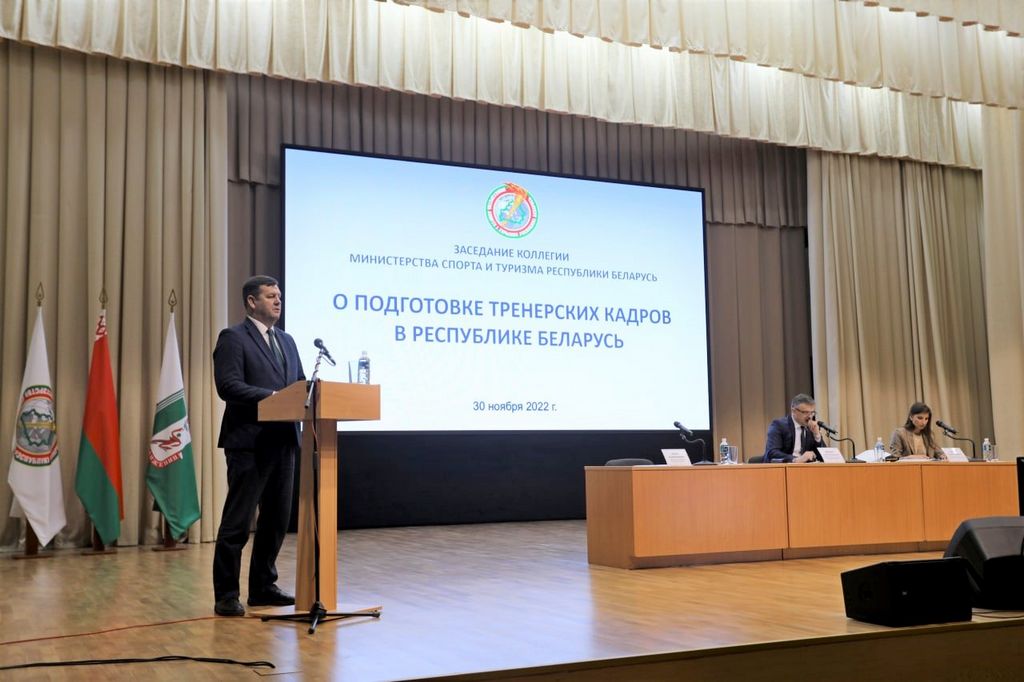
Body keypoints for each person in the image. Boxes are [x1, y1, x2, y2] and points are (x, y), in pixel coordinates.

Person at [212, 275, 305, 617]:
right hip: (249, 443)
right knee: (238, 522)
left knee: (276, 521)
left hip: (283, 442)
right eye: (270, 296)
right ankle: (226, 594)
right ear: (252, 302)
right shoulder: (233, 338)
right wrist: (273, 397)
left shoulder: (288, 341)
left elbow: (298, 385)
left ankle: (263, 586)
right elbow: (228, 385)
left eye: (279, 295)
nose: (278, 301)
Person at [763, 394, 825, 463]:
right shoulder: (779, 425)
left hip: (804, 468)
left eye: (812, 413)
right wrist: (796, 459)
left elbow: (824, 457)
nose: (810, 416)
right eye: (805, 412)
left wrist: (817, 436)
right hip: (784, 467)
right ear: (793, 411)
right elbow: (771, 453)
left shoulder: (811, 428)